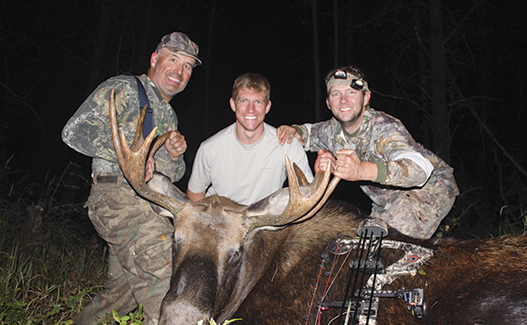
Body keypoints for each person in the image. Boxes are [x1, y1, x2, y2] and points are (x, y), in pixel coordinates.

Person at [61, 31, 200, 325]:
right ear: (155, 59)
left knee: (121, 293)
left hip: (147, 204)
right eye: (174, 60)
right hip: (118, 198)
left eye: (189, 67)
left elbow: (166, 173)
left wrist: (175, 156)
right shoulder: (124, 88)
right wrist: (128, 157)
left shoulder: (167, 113)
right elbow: (75, 132)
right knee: (168, 277)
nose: (180, 71)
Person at [277, 66, 459, 239]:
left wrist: (362, 170)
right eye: (336, 94)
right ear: (328, 103)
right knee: (357, 250)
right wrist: (294, 130)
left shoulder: (384, 128)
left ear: (366, 98)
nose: (343, 100)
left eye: (351, 92)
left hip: (431, 188)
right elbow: (307, 134)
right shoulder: (331, 130)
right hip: (386, 202)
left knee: (384, 249)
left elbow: (421, 170)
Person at [187, 73, 313, 205]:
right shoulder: (210, 148)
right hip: (223, 221)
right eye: (243, 101)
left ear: (267, 107)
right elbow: (195, 193)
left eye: (258, 102)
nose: (250, 109)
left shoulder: (287, 144)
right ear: (233, 104)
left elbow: (308, 193)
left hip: (267, 222)